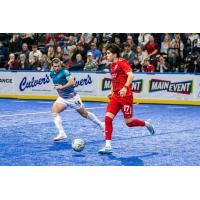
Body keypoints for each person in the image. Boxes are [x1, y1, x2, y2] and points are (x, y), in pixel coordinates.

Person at [98, 44, 155, 154]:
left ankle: (146, 124)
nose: (107, 55)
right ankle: (108, 146)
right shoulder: (112, 65)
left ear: (115, 54)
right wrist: (111, 91)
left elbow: (131, 75)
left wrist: (125, 87)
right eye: (106, 53)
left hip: (125, 96)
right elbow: (114, 80)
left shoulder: (121, 62)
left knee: (129, 122)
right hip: (115, 96)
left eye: (109, 53)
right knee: (107, 119)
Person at [50, 58, 104, 141]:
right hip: (62, 98)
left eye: (58, 66)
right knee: (54, 112)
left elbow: (72, 82)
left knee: (84, 114)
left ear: (60, 65)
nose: (56, 68)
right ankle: (62, 133)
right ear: (52, 66)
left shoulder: (65, 72)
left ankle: (101, 125)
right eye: (54, 66)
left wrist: (62, 86)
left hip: (73, 98)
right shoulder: (52, 74)